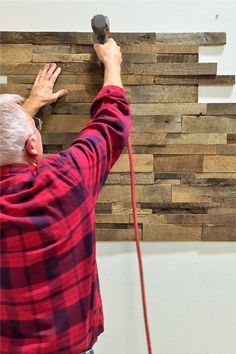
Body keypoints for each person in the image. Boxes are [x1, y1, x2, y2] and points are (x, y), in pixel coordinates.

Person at [0, 38, 131, 354]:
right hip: (71, 346)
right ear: (33, 145)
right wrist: (112, 63)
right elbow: (111, 125)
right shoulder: (67, 178)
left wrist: (26, 112)